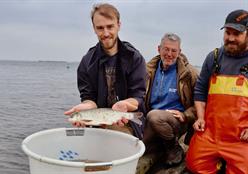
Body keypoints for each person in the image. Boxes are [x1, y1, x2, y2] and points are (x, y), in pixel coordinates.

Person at [64, 3, 146, 139]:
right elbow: (88, 97)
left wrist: (126, 104)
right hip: (97, 121)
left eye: (110, 26)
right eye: (100, 28)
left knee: (114, 135)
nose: (106, 33)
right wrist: (86, 106)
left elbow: (138, 96)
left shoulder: (134, 58)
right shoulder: (87, 62)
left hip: (127, 121)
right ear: (94, 29)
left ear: (119, 25)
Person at [186, 9, 248, 174]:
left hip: (241, 138)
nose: (231, 38)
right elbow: (199, 90)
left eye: (237, 33)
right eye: (228, 32)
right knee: (193, 165)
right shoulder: (213, 57)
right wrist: (200, 117)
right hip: (211, 133)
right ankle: (221, 163)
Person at [136, 33, 198, 174]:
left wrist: (186, 115)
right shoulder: (148, 70)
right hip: (150, 120)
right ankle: (159, 144)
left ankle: (174, 148)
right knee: (137, 146)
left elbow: (202, 101)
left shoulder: (190, 73)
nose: (169, 54)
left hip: (176, 120)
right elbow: (137, 95)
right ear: (159, 49)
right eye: (166, 49)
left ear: (179, 52)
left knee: (155, 116)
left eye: (173, 50)